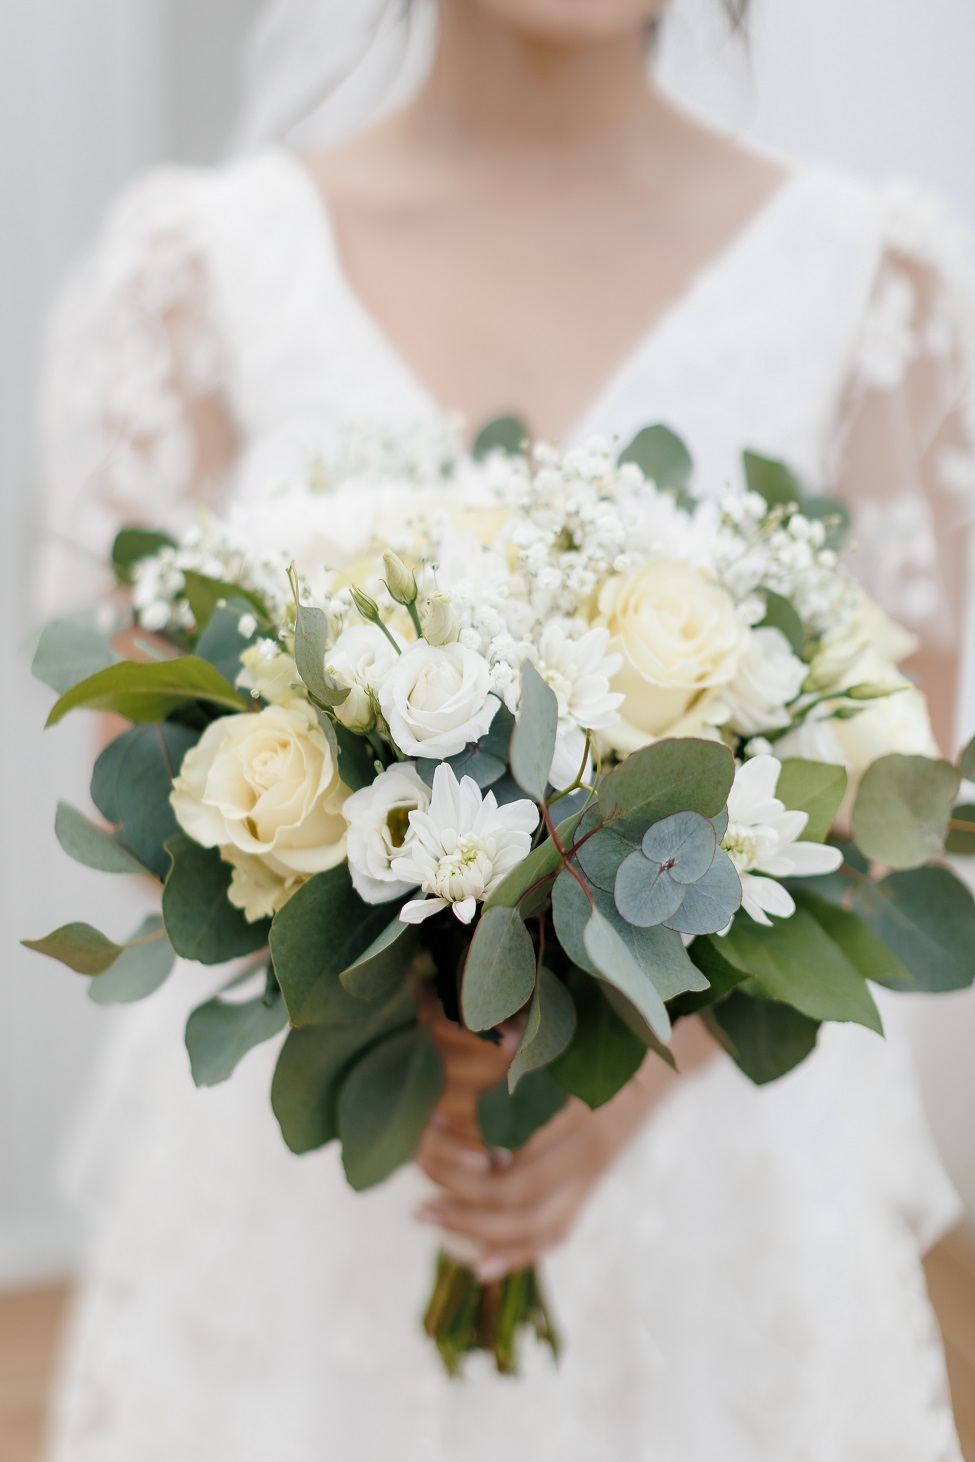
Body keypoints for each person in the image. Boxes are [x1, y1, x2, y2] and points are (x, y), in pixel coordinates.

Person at [41, 1, 974, 1457]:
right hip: (330, 1166)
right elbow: (138, 766)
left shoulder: (871, 273)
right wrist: (393, 1005)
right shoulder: (194, 270)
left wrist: (609, 1084)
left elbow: (883, 786)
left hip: (710, 1162)